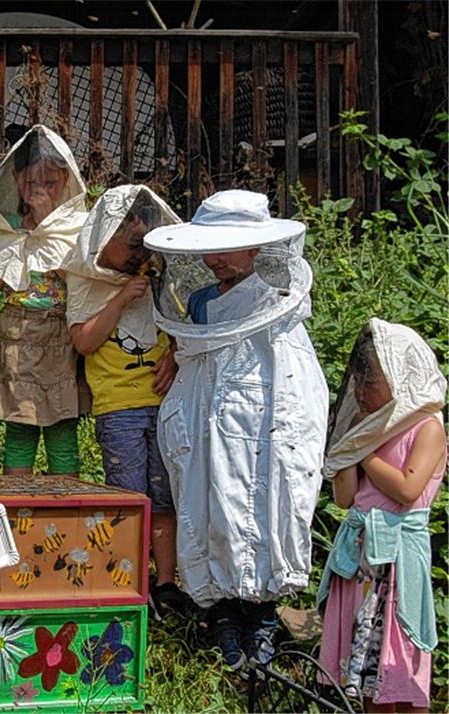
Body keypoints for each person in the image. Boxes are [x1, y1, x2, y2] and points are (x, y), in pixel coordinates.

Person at [143, 189, 329, 671]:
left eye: (226, 247)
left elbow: (291, 374)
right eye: (210, 247)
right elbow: (196, 354)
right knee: (212, 505)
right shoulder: (201, 300)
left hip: (260, 423)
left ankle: (262, 618)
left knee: (265, 510)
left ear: (255, 248)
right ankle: (223, 618)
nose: (215, 259)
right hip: (209, 421)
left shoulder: (278, 299)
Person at [62, 185, 186, 619]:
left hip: (164, 403)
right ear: (105, 237)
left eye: (144, 245)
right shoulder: (85, 277)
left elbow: (182, 329)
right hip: (118, 408)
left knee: (164, 495)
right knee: (130, 497)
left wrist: (174, 355)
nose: (139, 255)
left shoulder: (159, 275)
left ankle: (166, 584)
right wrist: (119, 298)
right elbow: (84, 341)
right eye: (131, 246)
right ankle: (128, 581)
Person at [317, 319, 445, 711]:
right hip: (362, 561)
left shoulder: (426, 427)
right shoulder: (368, 428)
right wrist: (345, 455)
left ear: (399, 379)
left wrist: (364, 452)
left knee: (400, 659)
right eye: (358, 382)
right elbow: (345, 497)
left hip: (398, 561)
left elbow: (407, 488)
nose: (361, 392)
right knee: (368, 676)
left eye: (370, 383)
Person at [0, 125, 89, 477]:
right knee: (20, 424)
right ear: (16, 179)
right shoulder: (6, 225)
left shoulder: (76, 227)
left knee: (61, 428)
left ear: (67, 181)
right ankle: (16, 512)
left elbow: (84, 283)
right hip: (17, 336)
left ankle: (64, 514)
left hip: (60, 338)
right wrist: (25, 238)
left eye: (50, 184)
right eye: (31, 184)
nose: (40, 191)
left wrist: (48, 239)